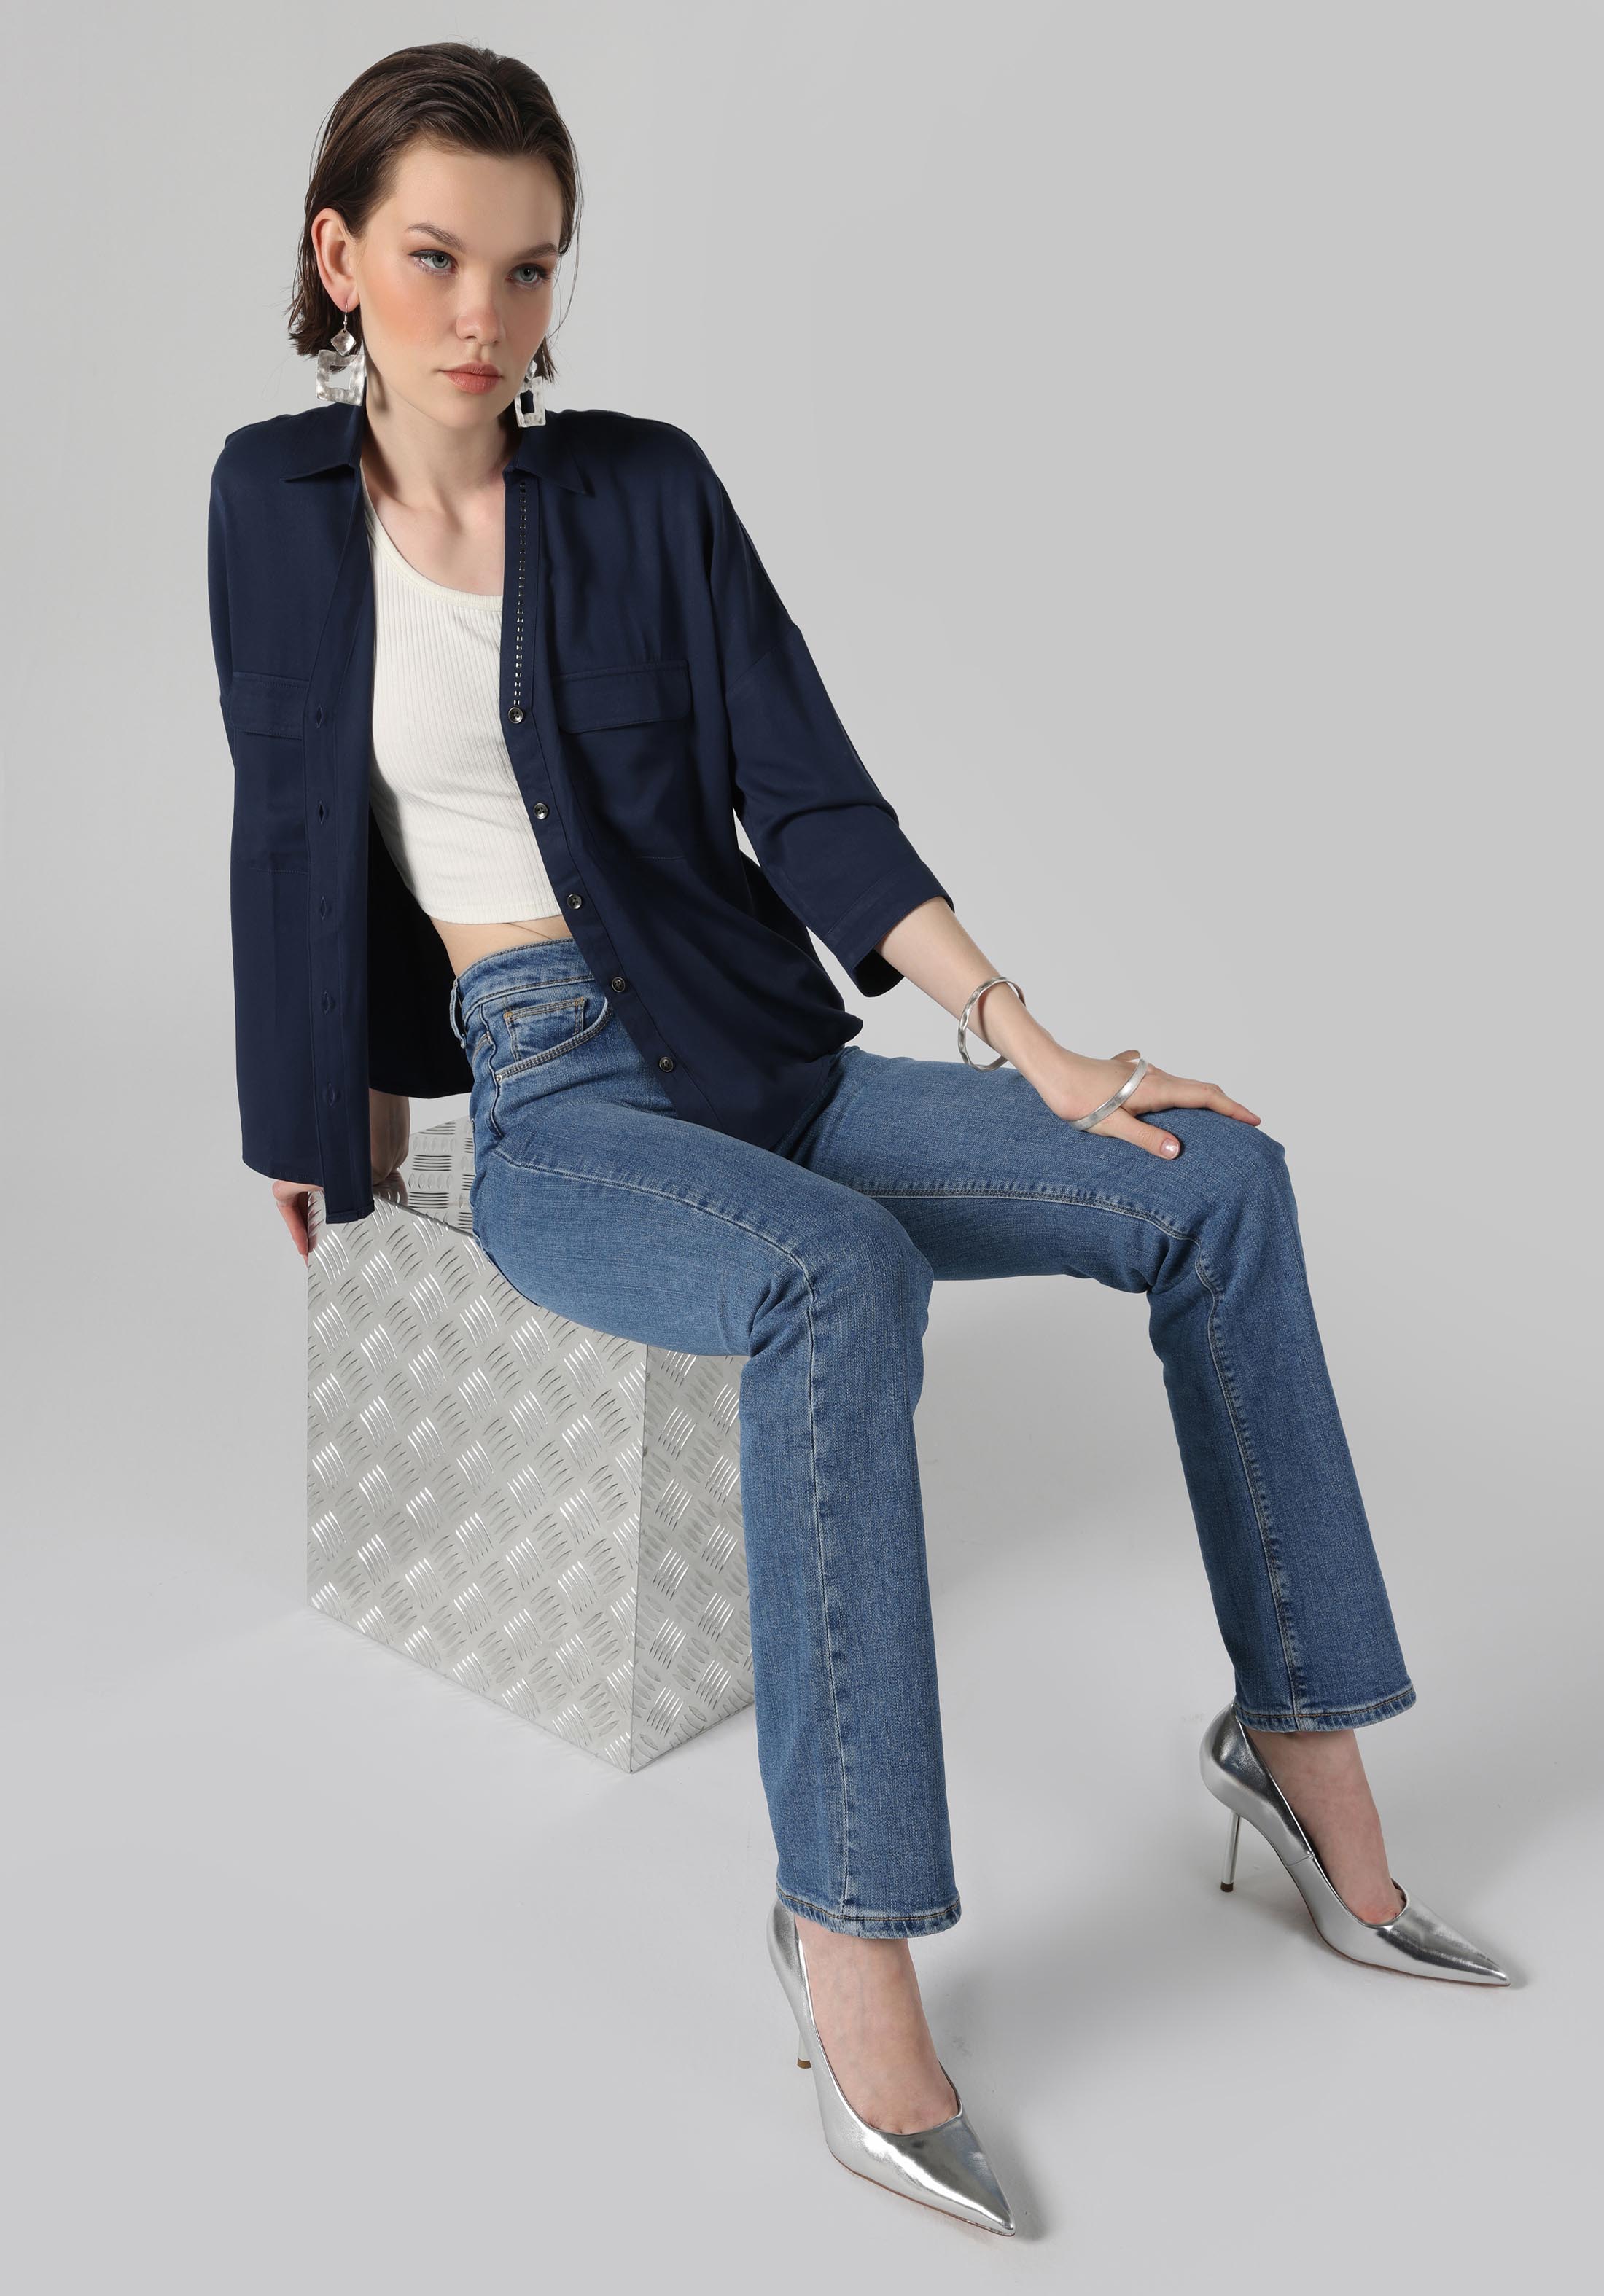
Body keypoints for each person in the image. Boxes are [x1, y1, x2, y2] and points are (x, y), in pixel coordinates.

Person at [206, 42, 1507, 2238]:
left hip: (761, 1055)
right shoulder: (268, 503)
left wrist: (1035, 1044)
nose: (484, 318)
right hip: (559, 1103)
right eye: (433, 259)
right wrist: (318, 1116)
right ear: (341, 259)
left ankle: (1304, 1765)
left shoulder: (646, 491)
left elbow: (802, 791)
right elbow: (285, 820)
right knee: (840, 1273)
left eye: (529, 269)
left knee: (1220, 1186)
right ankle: (850, 1939)